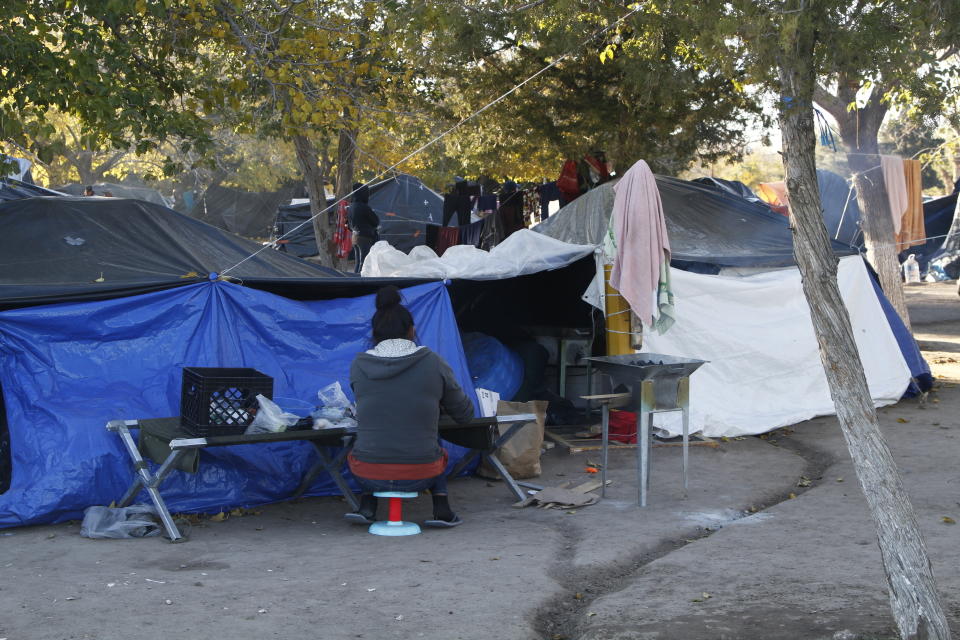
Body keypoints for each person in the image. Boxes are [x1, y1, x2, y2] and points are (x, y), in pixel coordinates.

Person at [345, 286, 475, 527]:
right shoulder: (433, 362)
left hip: (367, 473)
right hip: (422, 473)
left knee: (369, 435)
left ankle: (367, 506)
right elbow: (465, 415)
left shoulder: (358, 365)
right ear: (412, 330)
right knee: (431, 436)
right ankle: (442, 507)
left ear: (374, 333)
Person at [348, 183, 379, 273]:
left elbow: (349, 224)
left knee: (358, 262)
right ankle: (359, 281)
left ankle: (354, 279)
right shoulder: (364, 207)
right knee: (363, 262)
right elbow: (375, 222)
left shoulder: (351, 206)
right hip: (364, 237)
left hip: (354, 236)